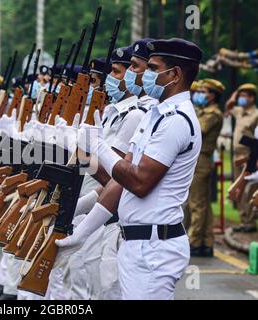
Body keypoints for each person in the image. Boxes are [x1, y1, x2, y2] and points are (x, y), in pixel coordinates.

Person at [65, 38, 203, 300]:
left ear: (174, 74)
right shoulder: (156, 114)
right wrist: (81, 233)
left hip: (154, 246)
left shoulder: (176, 120)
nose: (142, 76)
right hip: (137, 242)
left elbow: (139, 183)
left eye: (152, 68)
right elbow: (120, 181)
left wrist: (98, 147)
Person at [187, 79, 224, 257]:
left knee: (196, 203)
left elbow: (197, 130)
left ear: (212, 95)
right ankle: (206, 241)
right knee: (203, 204)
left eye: (204, 91)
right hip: (200, 160)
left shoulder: (212, 113)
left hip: (202, 160)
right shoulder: (205, 111)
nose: (199, 94)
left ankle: (194, 241)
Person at [225, 83, 258, 233]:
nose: (242, 98)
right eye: (241, 96)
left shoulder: (256, 114)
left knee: (248, 189)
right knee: (237, 189)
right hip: (236, 155)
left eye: (245, 96)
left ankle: (250, 221)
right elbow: (229, 106)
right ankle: (244, 220)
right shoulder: (239, 111)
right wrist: (236, 92)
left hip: (249, 156)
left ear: (252, 98)